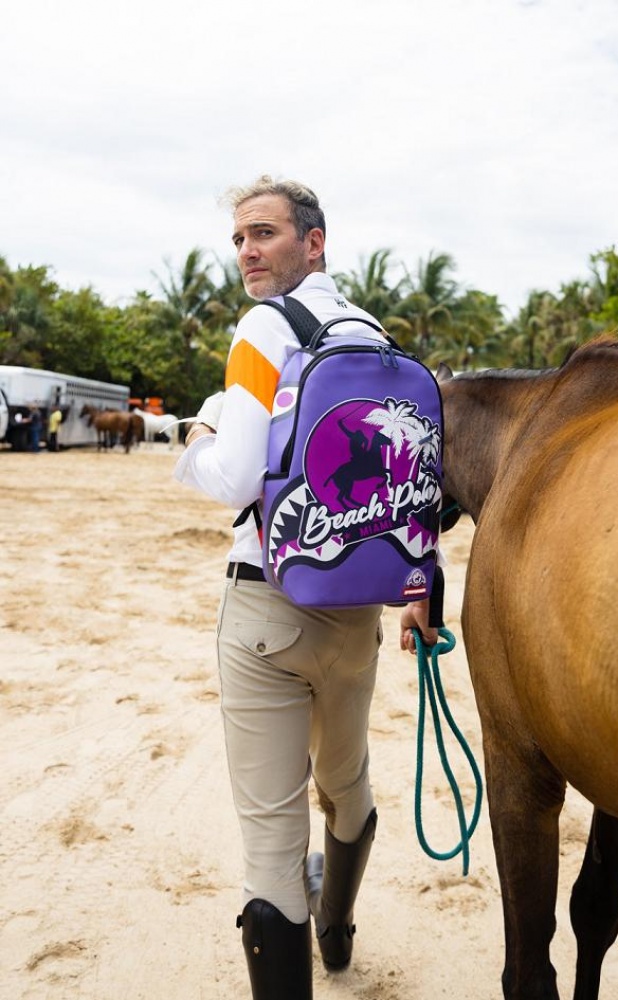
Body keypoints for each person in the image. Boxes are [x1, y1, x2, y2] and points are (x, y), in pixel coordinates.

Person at [174, 174, 436, 1000]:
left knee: (270, 841)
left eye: (265, 234)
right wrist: (424, 580)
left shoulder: (263, 326)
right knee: (348, 778)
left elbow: (236, 476)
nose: (248, 252)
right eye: (240, 239)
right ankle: (338, 929)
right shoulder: (371, 333)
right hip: (357, 606)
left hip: (266, 604)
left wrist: (198, 436)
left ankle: (303, 933)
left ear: (313, 241)